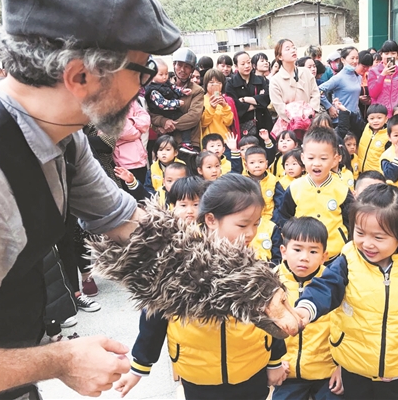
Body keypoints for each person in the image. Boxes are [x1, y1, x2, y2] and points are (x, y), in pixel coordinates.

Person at [0, 0, 183, 398]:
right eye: (141, 70)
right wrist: (59, 359)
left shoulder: (63, 136)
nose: (143, 88)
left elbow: (128, 222)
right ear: (80, 75)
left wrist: (250, 288)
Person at [114, 174, 288, 400]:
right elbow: (154, 316)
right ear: (211, 220)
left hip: (251, 368)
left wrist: (275, 361)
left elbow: (272, 318)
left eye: (256, 224)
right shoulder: (179, 264)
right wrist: (139, 366)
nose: (251, 233)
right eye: (243, 225)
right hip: (198, 374)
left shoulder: (257, 265)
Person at [293, 183, 398, 400]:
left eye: (379, 237)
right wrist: (306, 308)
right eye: (360, 233)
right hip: (354, 365)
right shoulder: (348, 260)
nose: (367, 243)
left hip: (397, 369)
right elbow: (326, 287)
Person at [272, 217, 343, 400]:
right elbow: (261, 333)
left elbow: (348, 327)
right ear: (284, 251)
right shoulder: (271, 283)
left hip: (327, 372)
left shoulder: (332, 284)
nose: (304, 257)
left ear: (324, 256)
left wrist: (342, 368)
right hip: (288, 373)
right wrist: (273, 364)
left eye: (313, 251)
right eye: (297, 249)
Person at [279, 127, 354, 261]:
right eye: (311, 158)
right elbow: (285, 217)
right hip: (302, 256)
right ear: (303, 158)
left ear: (335, 159)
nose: (317, 163)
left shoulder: (342, 190)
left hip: (334, 255)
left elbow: (351, 222)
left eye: (324, 158)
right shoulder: (295, 188)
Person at [150, 48, 205, 155]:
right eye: (179, 65)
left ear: (192, 69)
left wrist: (169, 127)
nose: (182, 70)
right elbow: (151, 113)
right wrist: (163, 121)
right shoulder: (159, 86)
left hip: (189, 144)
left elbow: (194, 116)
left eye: (187, 67)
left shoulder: (197, 91)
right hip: (165, 144)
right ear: (174, 65)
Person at [269, 39, 320, 130]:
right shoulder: (275, 80)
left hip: (310, 121)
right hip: (289, 125)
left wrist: (309, 113)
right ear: (280, 56)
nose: (293, 50)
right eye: (287, 49)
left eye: (293, 48)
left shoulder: (306, 72)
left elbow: (315, 94)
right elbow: (279, 107)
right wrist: (296, 119)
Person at [144, 58, 193, 149]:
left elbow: (174, 88)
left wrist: (182, 91)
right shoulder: (153, 90)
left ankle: (186, 142)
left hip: (171, 113)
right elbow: (162, 104)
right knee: (166, 136)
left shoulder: (166, 83)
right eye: (161, 74)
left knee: (185, 125)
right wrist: (176, 103)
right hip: (163, 113)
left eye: (166, 74)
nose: (164, 77)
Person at [225, 51, 274, 142]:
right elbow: (236, 106)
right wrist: (258, 103)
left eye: (249, 62)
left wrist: (245, 99)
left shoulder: (260, 80)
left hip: (263, 122)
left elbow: (266, 99)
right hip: (244, 124)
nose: (247, 66)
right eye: (243, 64)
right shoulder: (231, 84)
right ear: (236, 66)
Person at [319, 47, 362, 125]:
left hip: (355, 119)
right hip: (341, 120)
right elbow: (319, 90)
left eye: (357, 58)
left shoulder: (358, 77)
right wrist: (329, 107)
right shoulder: (338, 78)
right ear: (343, 60)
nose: (355, 61)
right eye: (352, 58)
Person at [113, 99, 151, 184]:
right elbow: (124, 131)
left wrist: (132, 121)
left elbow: (146, 119)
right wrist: (139, 131)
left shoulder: (131, 100)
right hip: (124, 162)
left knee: (143, 192)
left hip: (141, 158)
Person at [368, 40, 398, 117]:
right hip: (379, 113)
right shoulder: (373, 71)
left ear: (397, 55)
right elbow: (372, 94)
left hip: (395, 113)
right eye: (386, 53)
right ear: (381, 54)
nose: (389, 56)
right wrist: (383, 75)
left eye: (393, 53)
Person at [244, 145, 283, 223]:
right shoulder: (242, 182)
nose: (257, 165)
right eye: (252, 163)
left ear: (266, 163)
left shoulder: (273, 181)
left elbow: (280, 203)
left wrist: (274, 221)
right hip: (248, 221)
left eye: (261, 162)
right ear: (246, 165)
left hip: (270, 221)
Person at [200, 68, 238, 139]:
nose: (215, 85)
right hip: (208, 142)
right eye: (211, 83)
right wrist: (212, 108)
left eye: (218, 83)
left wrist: (225, 106)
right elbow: (203, 123)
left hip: (225, 140)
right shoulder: (201, 100)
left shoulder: (226, 100)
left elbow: (229, 122)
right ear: (206, 84)